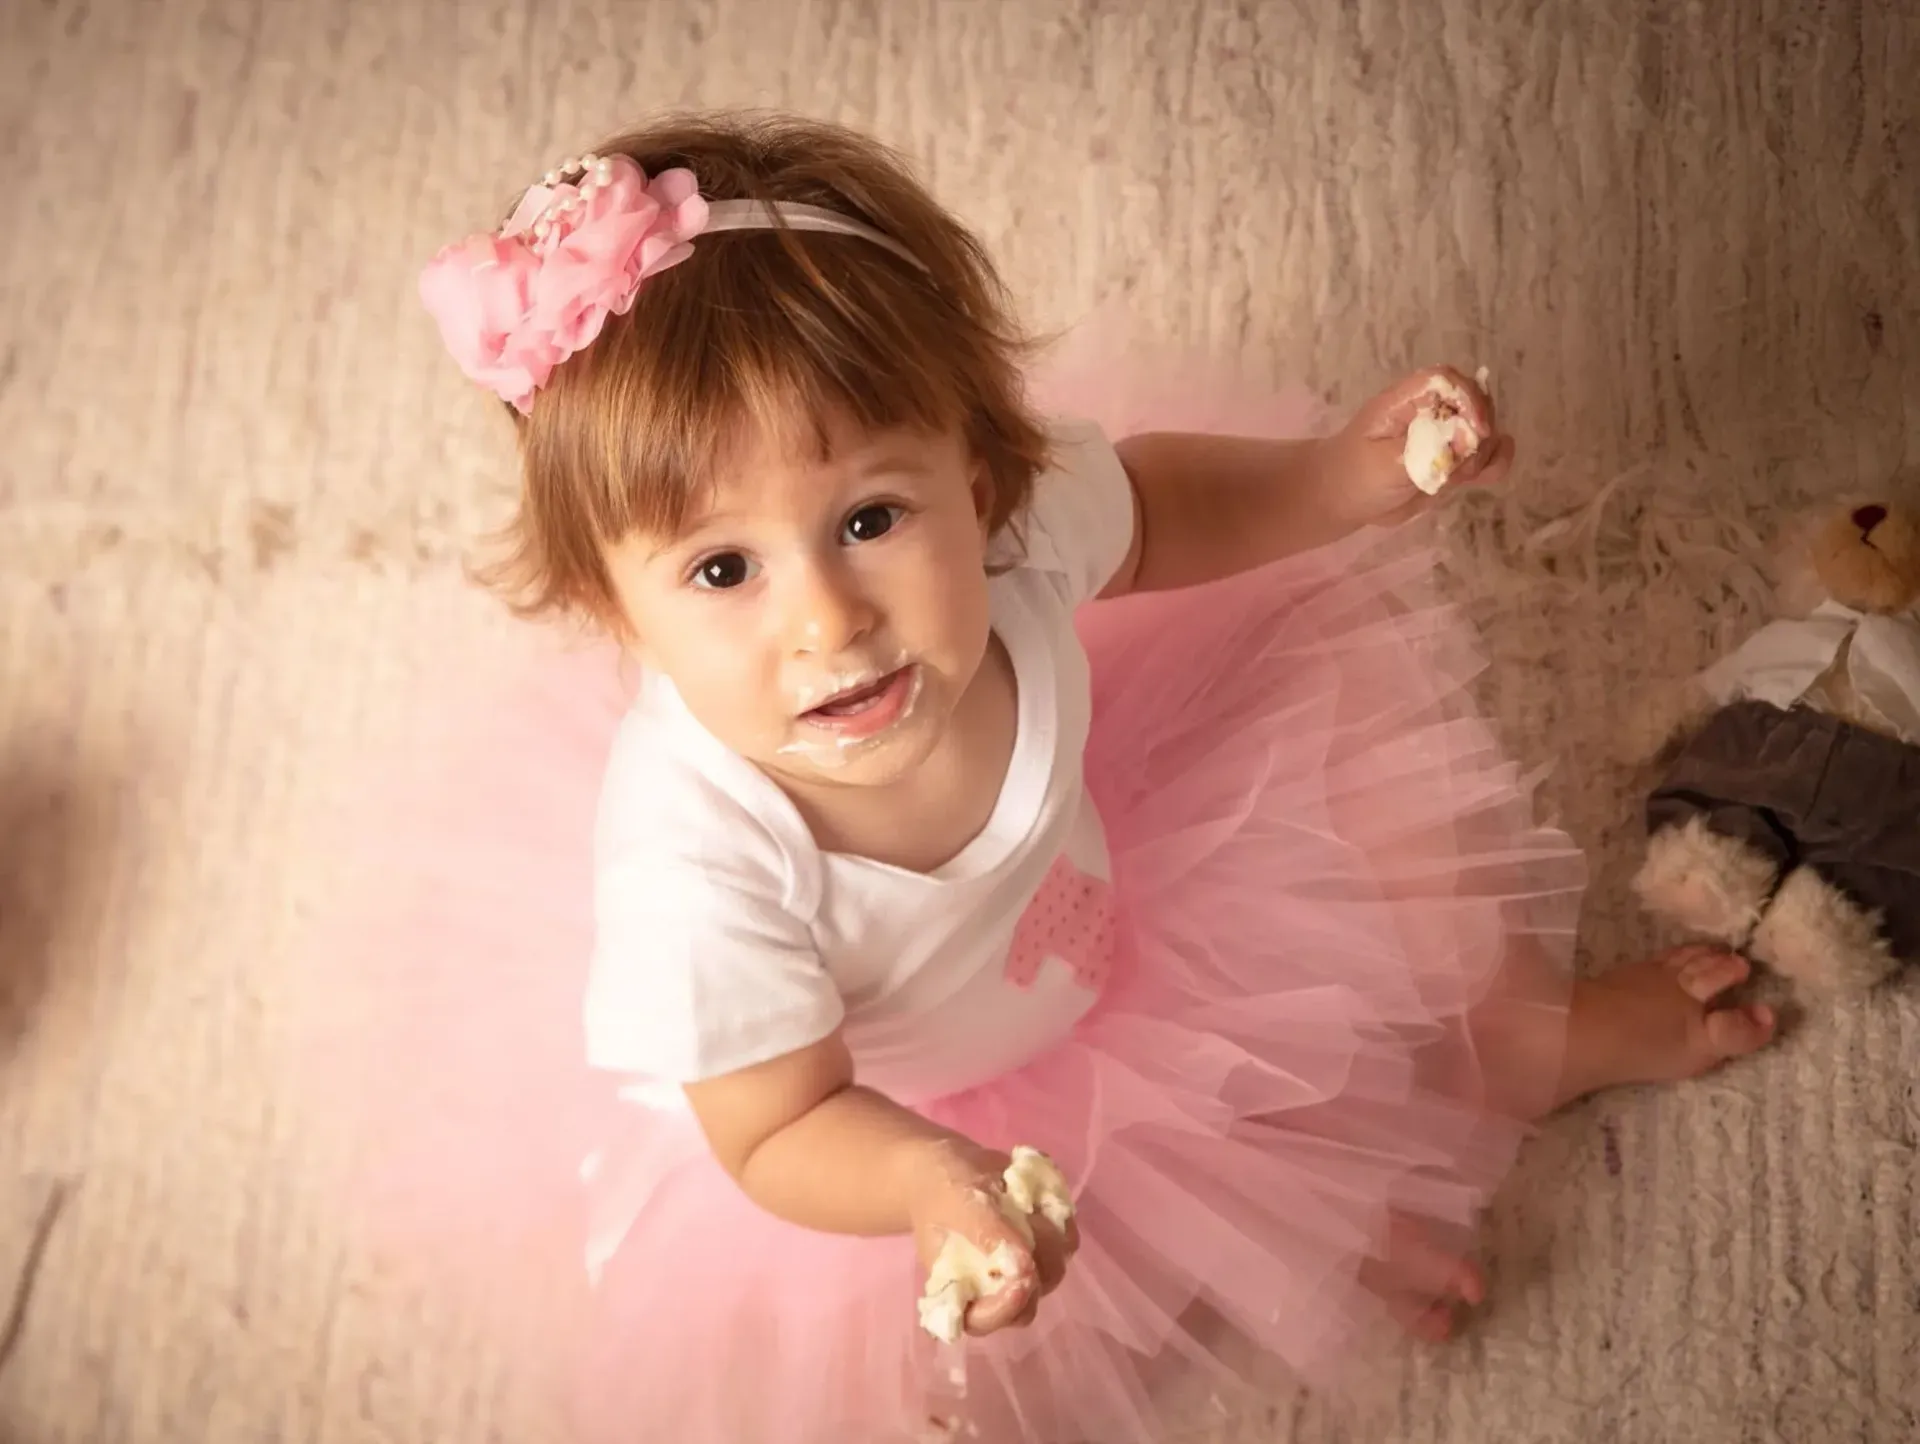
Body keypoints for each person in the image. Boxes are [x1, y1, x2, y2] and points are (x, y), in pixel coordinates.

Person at [308, 111, 1776, 1444]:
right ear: (616, 612)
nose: (826, 618)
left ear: (983, 480)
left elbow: (1163, 509)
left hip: (1104, 889)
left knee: (1374, 870)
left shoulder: (1016, 533)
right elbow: (772, 1123)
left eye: (872, 516)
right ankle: (1305, 1235)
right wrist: (927, 1185)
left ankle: (1521, 1041)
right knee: (1113, 1227)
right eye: (720, 568)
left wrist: (1344, 478)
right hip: (918, 1099)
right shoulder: (692, 875)